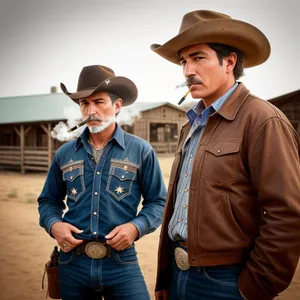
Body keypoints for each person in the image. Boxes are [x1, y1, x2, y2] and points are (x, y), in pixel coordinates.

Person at [150, 10, 300, 300]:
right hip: (180, 275)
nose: (187, 70)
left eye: (198, 58)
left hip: (227, 282)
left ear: (229, 61)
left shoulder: (262, 120)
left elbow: (287, 214)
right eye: (183, 61)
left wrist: (252, 289)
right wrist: (166, 276)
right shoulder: (190, 124)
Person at [38, 65, 166, 300]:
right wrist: (54, 224)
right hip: (72, 263)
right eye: (84, 104)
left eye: (99, 102)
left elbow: (158, 202)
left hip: (122, 263)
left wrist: (136, 227)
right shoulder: (64, 153)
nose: (91, 110)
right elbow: (48, 201)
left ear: (117, 106)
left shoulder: (141, 150)